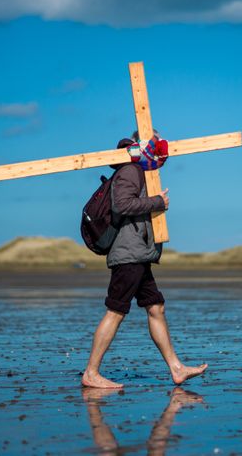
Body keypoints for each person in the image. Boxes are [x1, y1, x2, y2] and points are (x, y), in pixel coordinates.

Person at [80, 135, 208, 389]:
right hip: (128, 253)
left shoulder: (140, 170)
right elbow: (122, 205)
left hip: (138, 253)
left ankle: (177, 368)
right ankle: (91, 373)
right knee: (116, 310)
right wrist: (158, 202)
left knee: (156, 307)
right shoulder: (131, 170)